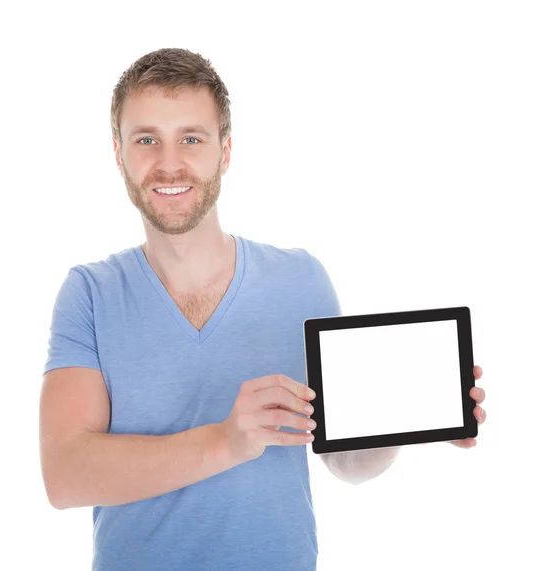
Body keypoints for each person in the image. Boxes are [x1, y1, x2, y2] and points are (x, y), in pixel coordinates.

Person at [39, 48, 487, 571]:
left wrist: (405, 419)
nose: (168, 162)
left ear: (224, 152)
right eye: (146, 140)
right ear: (119, 155)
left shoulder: (301, 281)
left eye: (191, 138)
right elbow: (65, 475)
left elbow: (346, 461)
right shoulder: (89, 293)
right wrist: (226, 442)